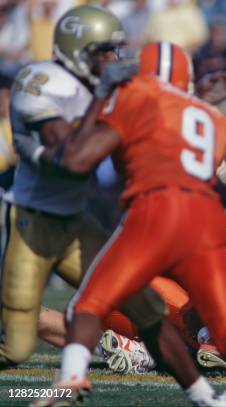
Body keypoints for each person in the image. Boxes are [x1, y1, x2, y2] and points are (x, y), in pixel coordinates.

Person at [33, 41, 226, 406]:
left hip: (156, 209)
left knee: (88, 305)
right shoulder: (215, 119)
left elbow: (109, 163)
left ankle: (73, 376)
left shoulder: (135, 96)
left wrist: (106, 96)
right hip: (206, 219)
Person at [0, 4, 131, 369]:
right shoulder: (41, 82)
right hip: (29, 222)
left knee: (131, 296)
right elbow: (73, 161)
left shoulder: (101, 87)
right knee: (17, 349)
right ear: (79, 49)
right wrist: (110, 102)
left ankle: (196, 336)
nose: (113, 58)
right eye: (105, 50)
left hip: (74, 218)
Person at [38, 224, 226, 375]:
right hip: (135, 295)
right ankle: (148, 354)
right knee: (203, 342)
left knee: (62, 329)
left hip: (114, 303)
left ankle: (139, 351)